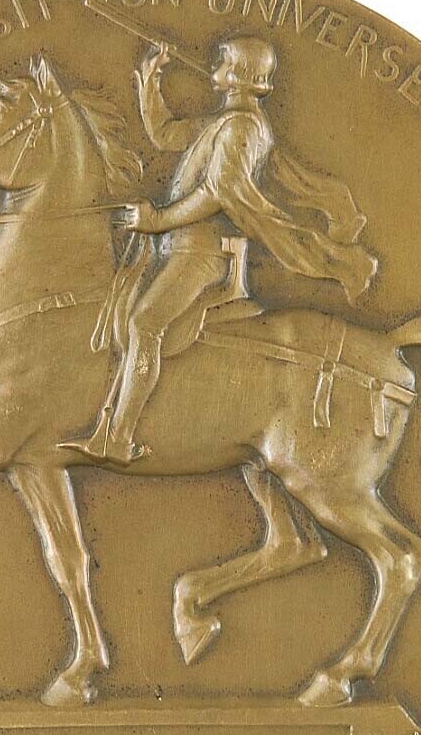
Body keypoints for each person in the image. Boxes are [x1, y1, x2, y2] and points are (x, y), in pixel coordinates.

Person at [62, 36, 376, 465]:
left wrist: (158, 220)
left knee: (145, 324)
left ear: (241, 75)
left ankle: (119, 437)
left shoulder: (242, 128)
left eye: (224, 60)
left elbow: (217, 191)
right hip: (179, 250)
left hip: (203, 256)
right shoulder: (223, 122)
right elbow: (166, 135)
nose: (215, 63)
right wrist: (151, 83)